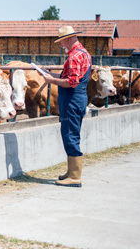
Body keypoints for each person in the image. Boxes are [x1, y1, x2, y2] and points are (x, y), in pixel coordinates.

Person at [39, 26, 91, 187]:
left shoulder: (74, 56)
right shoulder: (84, 53)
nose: (61, 45)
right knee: (70, 133)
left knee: (70, 135)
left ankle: (75, 177)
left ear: (69, 39)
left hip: (72, 99)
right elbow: (68, 77)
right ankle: (71, 171)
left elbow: (71, 82)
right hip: (77, 98)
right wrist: (50, 75)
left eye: (62, 41)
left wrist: (51, 81)